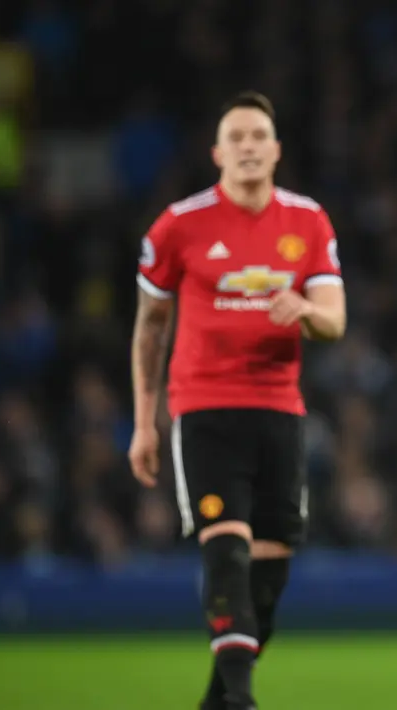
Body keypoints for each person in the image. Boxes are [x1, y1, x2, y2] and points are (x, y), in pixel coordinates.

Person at [128, 91, 346, 710]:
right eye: (237, 137)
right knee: (226, 552)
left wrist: (305, 309)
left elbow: (335, 320)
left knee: (269, 576)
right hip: (205, 409)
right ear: (217, 152)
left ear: (276, 150)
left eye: (259, 136)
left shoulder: (308, 222)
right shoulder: (179, 225)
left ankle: (215, 703)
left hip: (280, 411)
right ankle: (243, 702)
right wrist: (145, 423)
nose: (249, 146)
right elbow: (149, 328)